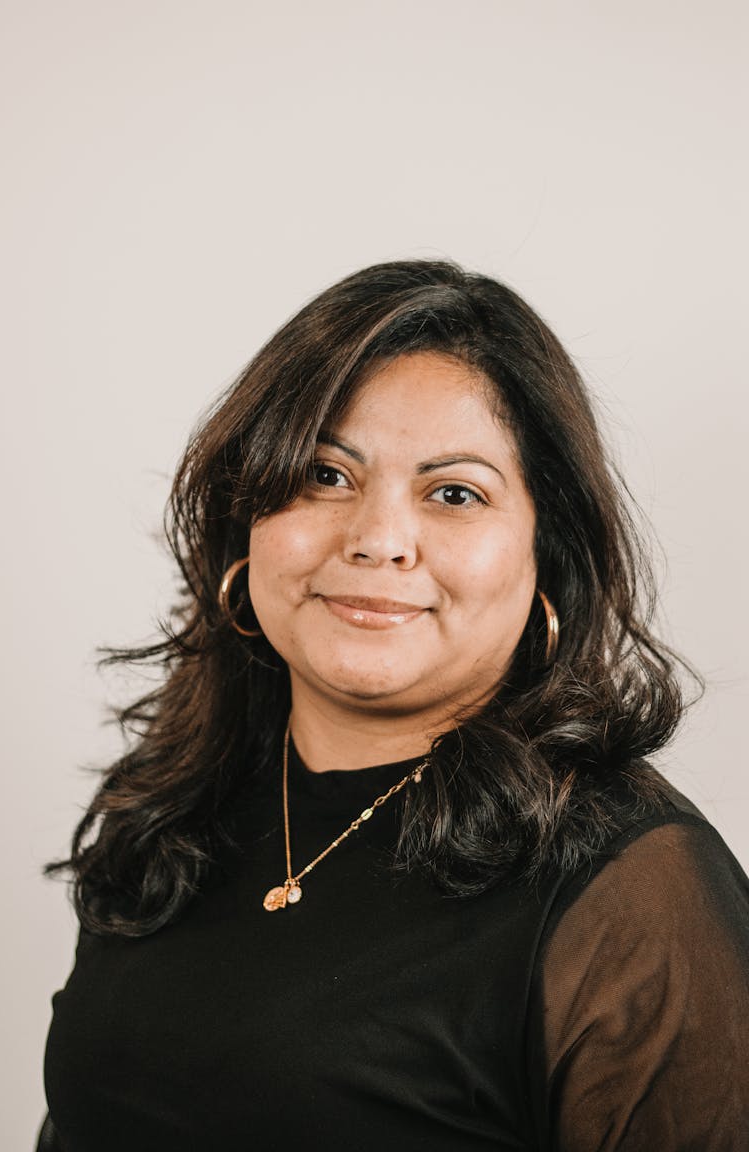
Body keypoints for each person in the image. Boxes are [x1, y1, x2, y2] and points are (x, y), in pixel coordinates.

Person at [39, 260, 749, 1151]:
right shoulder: (173, 812)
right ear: (245, 525)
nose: (377, 539)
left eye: (454, 493)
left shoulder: (632, 889)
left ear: (546, 557)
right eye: (324, 475)